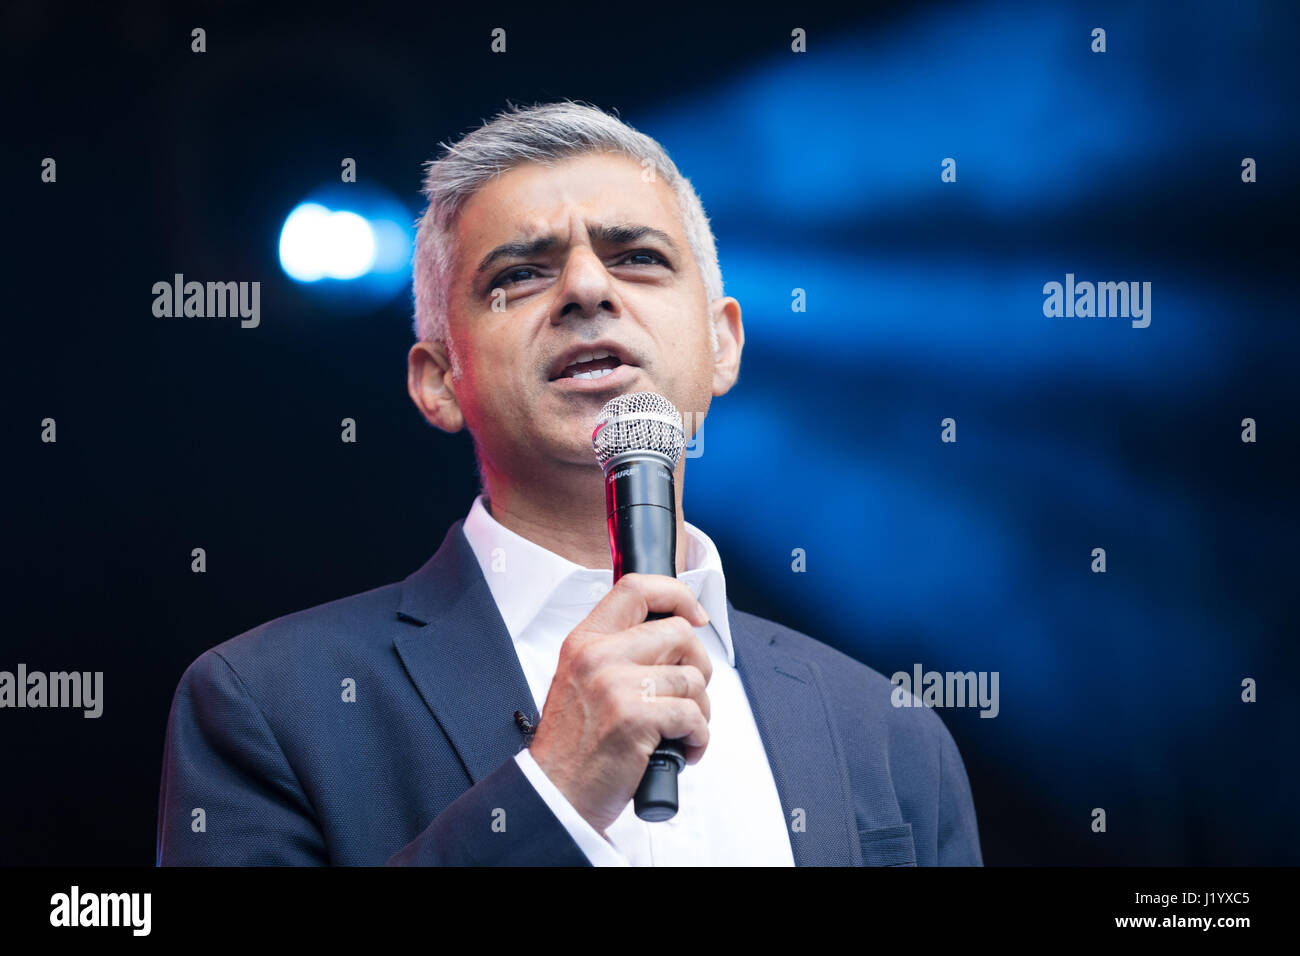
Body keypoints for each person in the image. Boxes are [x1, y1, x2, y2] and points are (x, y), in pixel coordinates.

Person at [156, 101, 983, 866]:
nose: (589, 288)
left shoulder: (887, 733)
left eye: (638, 258)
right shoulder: (268, 705)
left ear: (724, 343)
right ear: (439, 381)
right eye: (517, 274)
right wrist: (550, 793)